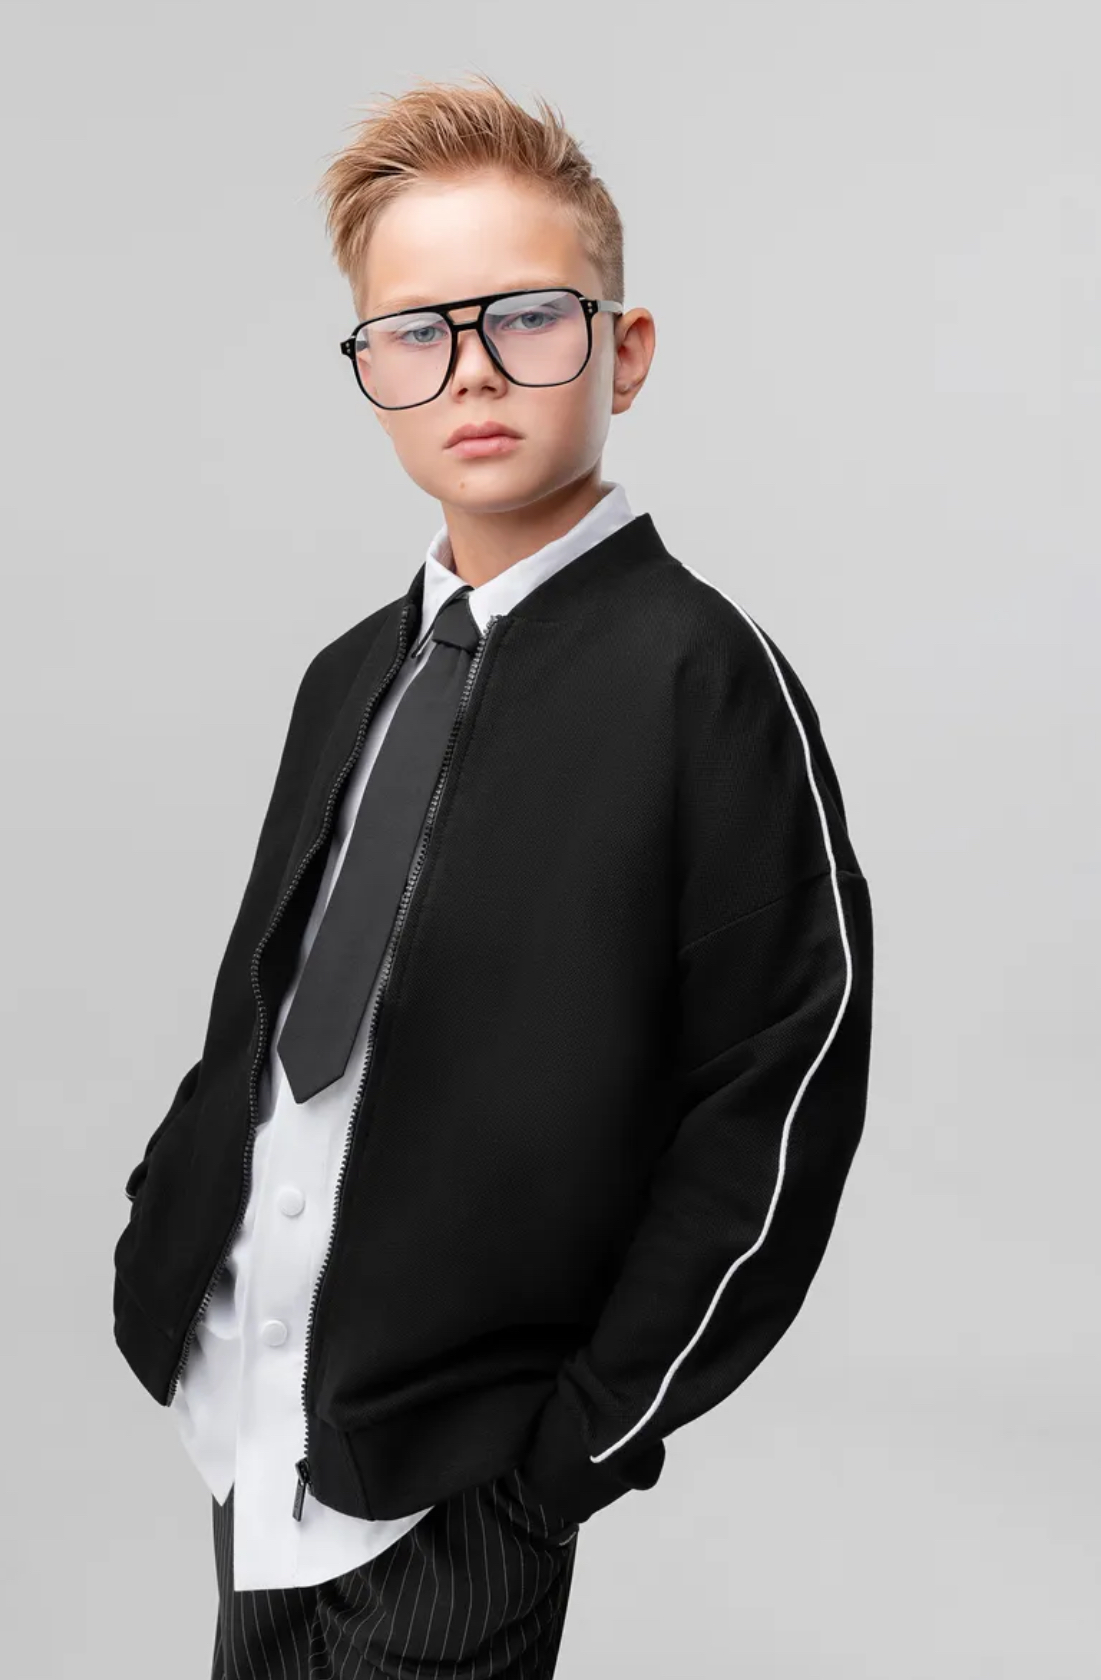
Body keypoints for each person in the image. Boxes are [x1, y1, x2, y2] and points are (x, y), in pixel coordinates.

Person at [111, 70, 875, 1679]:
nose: (470, 370)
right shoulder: (348, 673)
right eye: (414, 332)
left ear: (623, 348)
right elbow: (268, 1006)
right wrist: (163, 1238)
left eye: (526, 317)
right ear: (369, 372)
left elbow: (778, 1088)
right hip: (252, 1418)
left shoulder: (699, 678)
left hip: (467, 1474)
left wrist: (578, 1448)